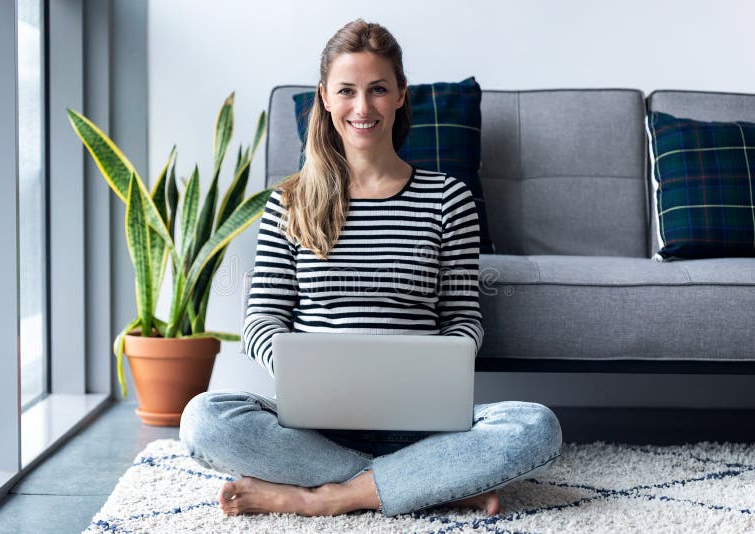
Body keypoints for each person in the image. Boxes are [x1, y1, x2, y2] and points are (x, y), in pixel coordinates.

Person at [179, 18, 562, 519]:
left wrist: (442, 361)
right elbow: (261, 320)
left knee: (536, 426)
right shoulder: (290, 201)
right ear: (325, 97)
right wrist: (304, 374)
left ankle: (329, 496)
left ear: (401, 94)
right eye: (347, 91)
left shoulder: (448, 199)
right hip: (312, 425)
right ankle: (428, 482)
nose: (362, 108)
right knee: (204, 419)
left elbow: (464, 319)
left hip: (420, 422)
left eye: (378, 89)